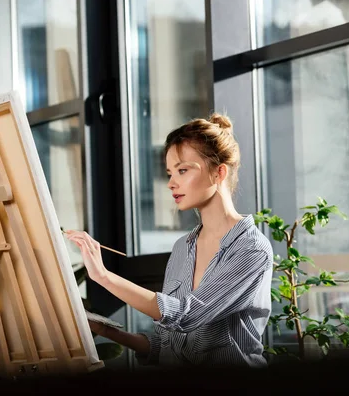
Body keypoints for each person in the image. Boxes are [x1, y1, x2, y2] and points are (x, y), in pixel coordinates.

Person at [65, 113, 274, 369]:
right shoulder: (182, 248)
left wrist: (104, 276)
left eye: (183, 171)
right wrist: (105, 330)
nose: (171, 183)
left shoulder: (252, 249)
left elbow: (188, 315)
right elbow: (167, 345)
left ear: (219, 172)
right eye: (169, 173)